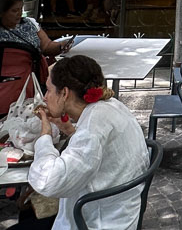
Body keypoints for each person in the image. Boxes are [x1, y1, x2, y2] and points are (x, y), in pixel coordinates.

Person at [19, 55, 150, 230]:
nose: (44, 97)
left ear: (64, 93)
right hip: (120, 209)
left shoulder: (92, 127)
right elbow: (95, 147)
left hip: (99, 221)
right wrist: (68, 129)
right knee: (28, 216)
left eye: (48, 90)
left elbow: (48, 182)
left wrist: (45, 135)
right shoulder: (111, 105)